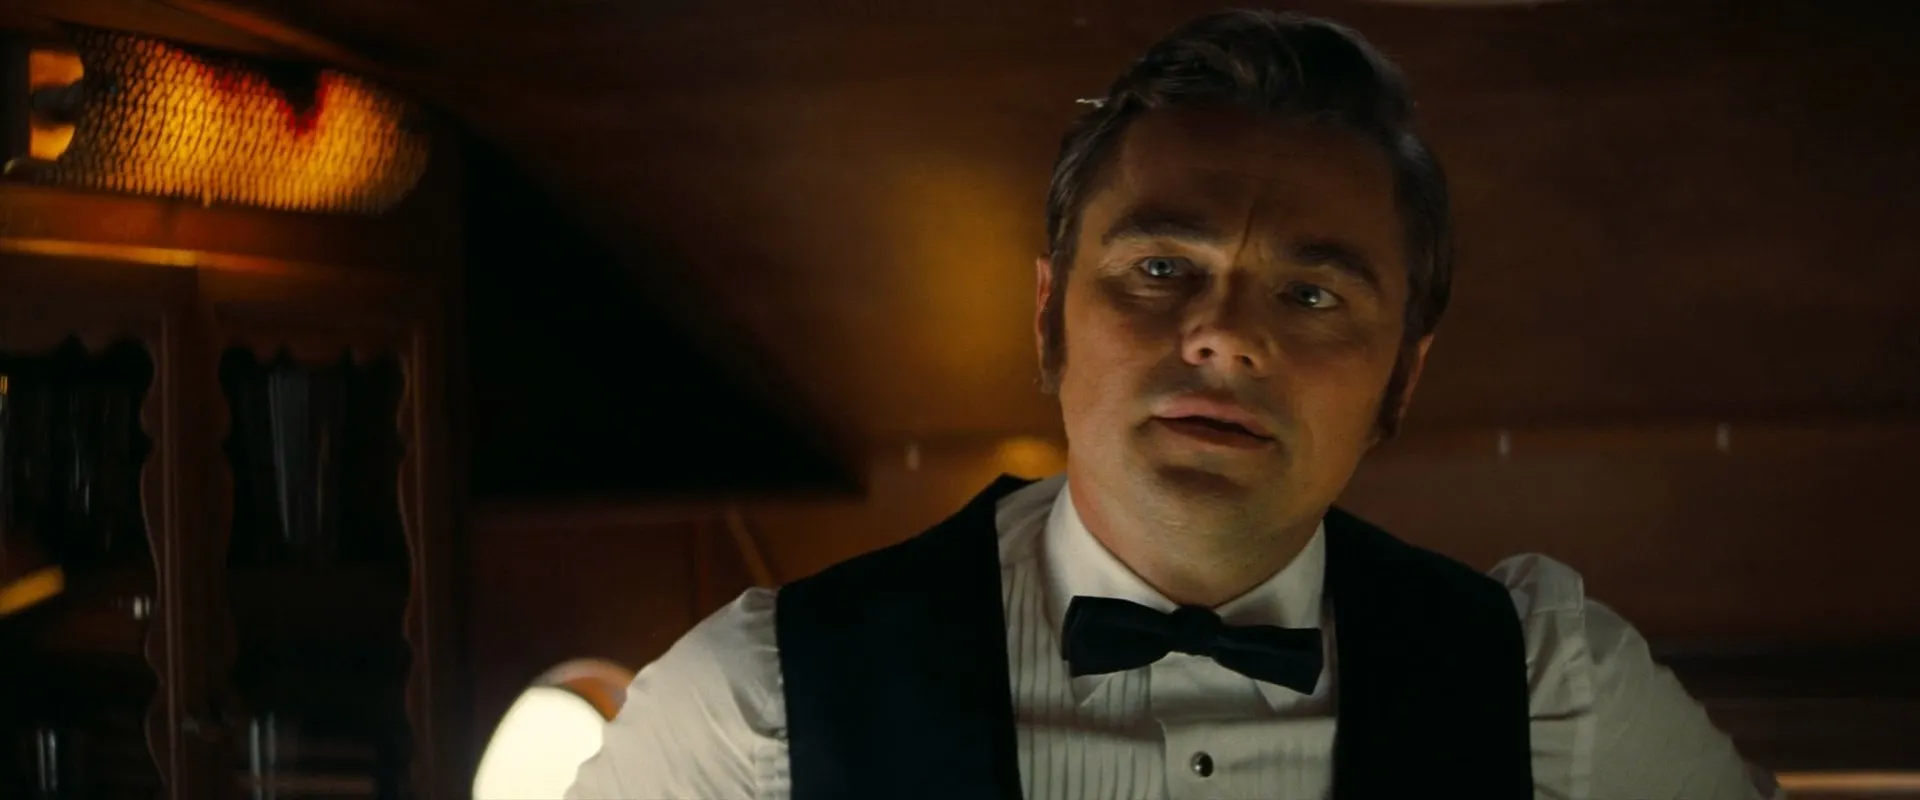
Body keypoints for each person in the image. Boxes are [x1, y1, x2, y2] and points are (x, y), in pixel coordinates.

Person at [568, 10, 1779, 800]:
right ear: (1049, 314)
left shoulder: (1549, 684)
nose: (1224, 333)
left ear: (1403, 376)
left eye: (1312, 292)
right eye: (1160, 267)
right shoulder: (756, 702)